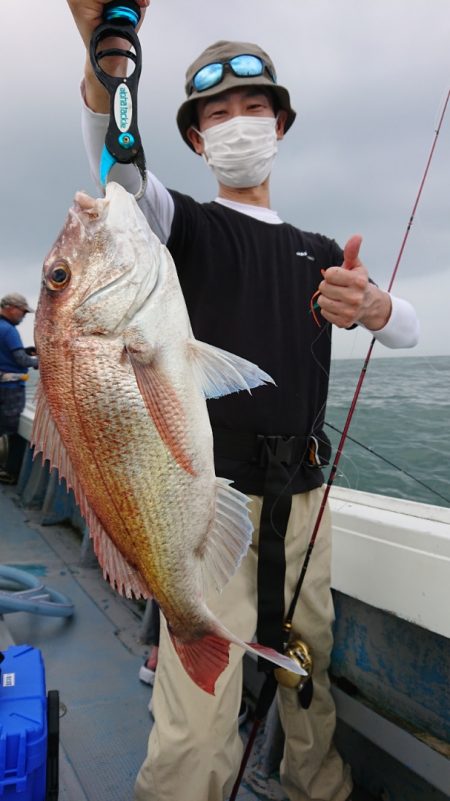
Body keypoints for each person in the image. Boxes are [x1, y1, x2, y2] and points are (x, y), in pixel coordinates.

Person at [67, 3, 419, 800]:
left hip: (304, 505)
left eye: (253, 107)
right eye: (216, 114)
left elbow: (408, 329)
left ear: (281, 123)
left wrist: (374, 309)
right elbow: (114, 167)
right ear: (195, 139)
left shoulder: (324, 255)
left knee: (309, 671)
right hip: (204, 503)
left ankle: (316, 785)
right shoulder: (177, 226)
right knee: (196, 714)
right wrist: (106, 52)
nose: (236, 124)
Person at [0, 293, 39, 484]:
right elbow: (21, 361)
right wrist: (41, 361)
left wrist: (25, 351)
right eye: (22, 312)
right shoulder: (9, 330)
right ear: (11, 308)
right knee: (12, 431)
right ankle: (9, 472)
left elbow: (7, 355)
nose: (23, 316)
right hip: (11, 389)